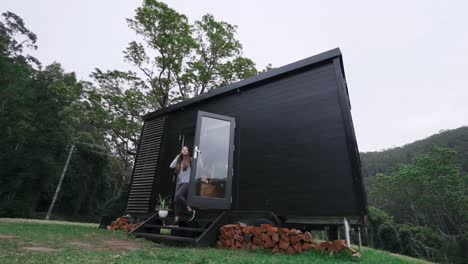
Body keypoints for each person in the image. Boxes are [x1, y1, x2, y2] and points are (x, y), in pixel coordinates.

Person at [170, 146, 196, 222]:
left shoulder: (190, 160)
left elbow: (198, 166)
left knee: (178, 195)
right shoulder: (179, 161)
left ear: (188, 152)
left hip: (187, 182)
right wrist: (177, 157)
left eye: (186, 150)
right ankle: (176, 219)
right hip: (179, 183)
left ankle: (189, 209)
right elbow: (171, 166)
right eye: (183, 149)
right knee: (177, 199)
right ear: (181, 151)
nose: (184, 151)